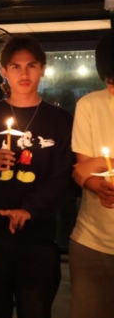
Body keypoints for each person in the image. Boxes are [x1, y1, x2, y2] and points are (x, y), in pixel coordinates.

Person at [0, 35, 74, 318]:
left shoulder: (60, 121)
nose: (24, 73)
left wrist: (30, 209)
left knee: (36, 309)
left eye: (31, 66)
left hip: (38, 235)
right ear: (3, 71)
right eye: (16, 67)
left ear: (42, 69)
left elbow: (63, 178)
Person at [69, 31, 114, 318]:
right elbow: (82, 171)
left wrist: (99, 163)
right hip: (91, 243)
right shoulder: (88, 105)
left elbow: (90, 166)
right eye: (109, 80)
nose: (112, 87)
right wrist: (98, 186)